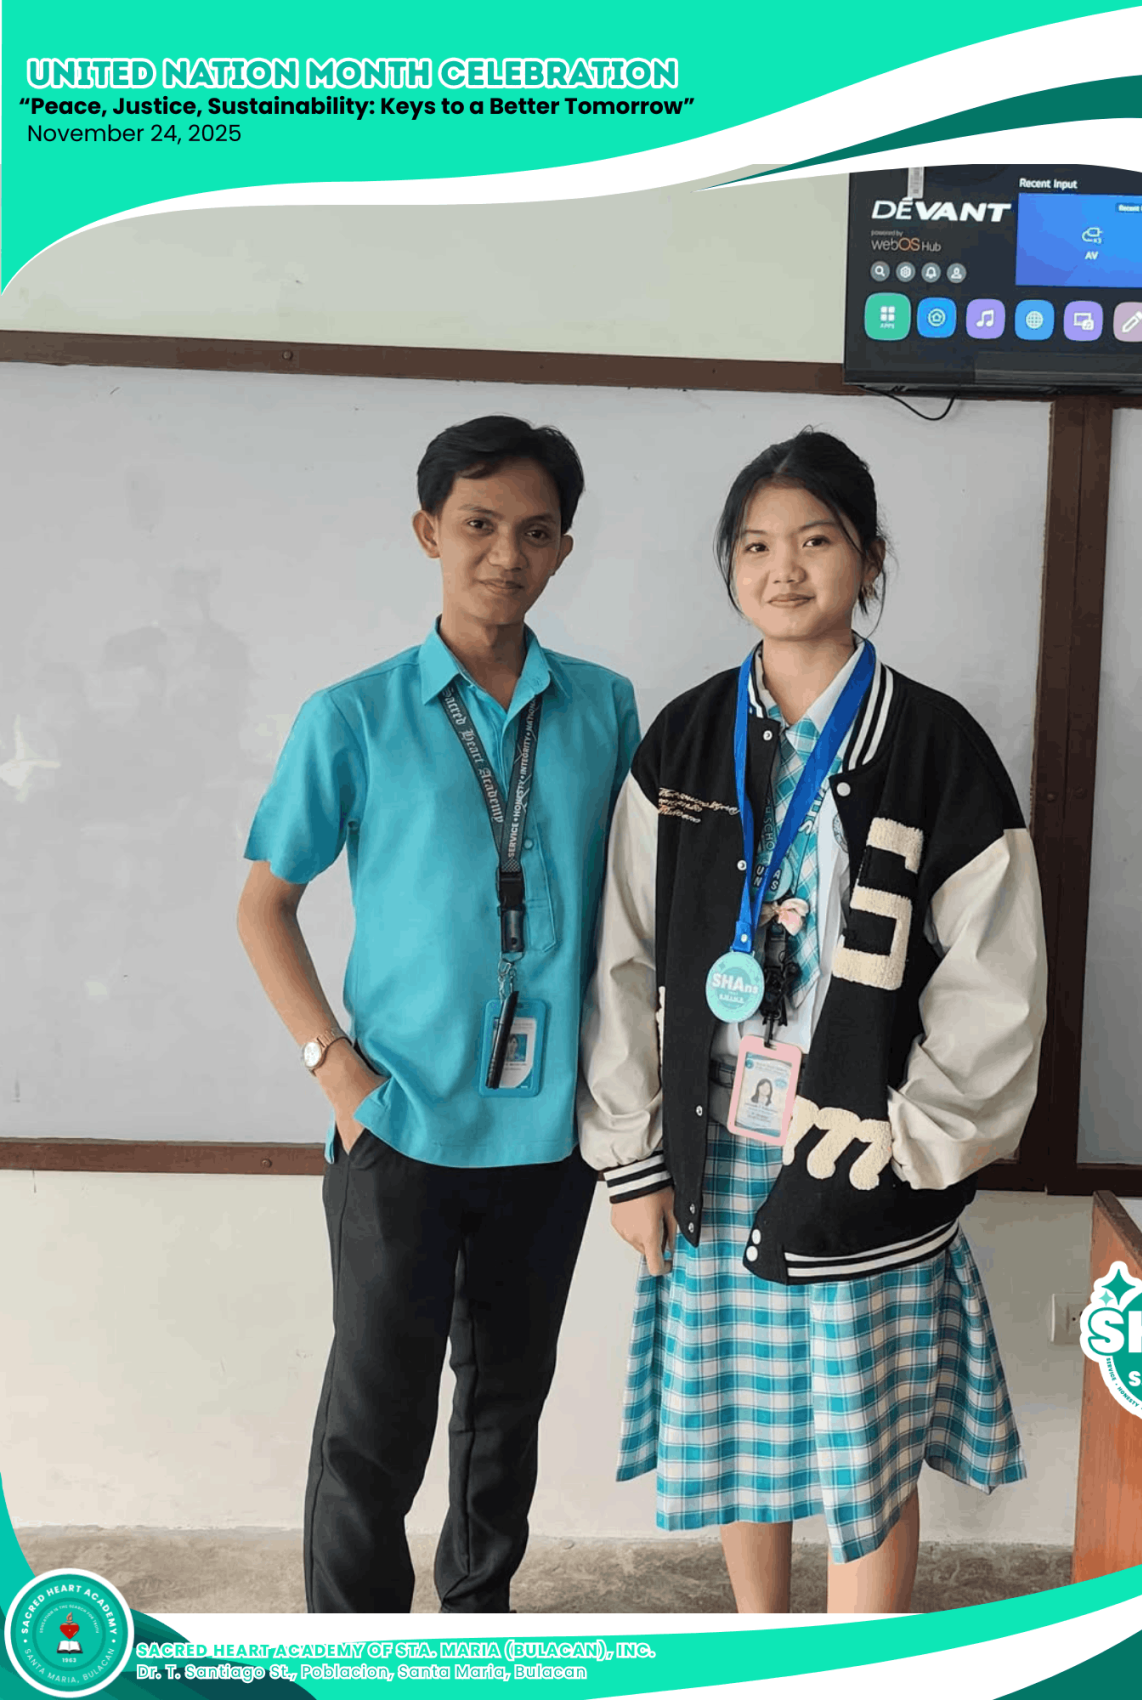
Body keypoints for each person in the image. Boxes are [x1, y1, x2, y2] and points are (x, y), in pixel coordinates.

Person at [579, 429, 1046, 1614]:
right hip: (713, 1142)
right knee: (739, 1424)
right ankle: (761, 1650)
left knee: (863, 1444)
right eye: (753, 545)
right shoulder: (685, 734)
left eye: (814, 540)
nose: (780, 568)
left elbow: (993, 974)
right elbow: (623, 953)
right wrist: (633, 1155)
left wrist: (919, 1138)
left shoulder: (933, 742)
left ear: (868, 556)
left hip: (861, 1143)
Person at [237, 415, 639, 1615]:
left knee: (505, 1406)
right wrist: (337, 1072)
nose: (504, 554)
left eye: (534, 531)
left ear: (563, 549)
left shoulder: (605, 707)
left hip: (549, 1131)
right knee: (377, 1414)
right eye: (477, 525)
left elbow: (631, 909)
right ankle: (352, 1652)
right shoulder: (351, 714)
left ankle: (475, 1625)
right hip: (399, 1123)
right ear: (428, 532)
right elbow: (263, 906)